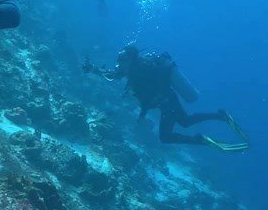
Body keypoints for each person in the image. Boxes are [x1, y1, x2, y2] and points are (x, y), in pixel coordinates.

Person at [83, 43, 248, 151]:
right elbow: (113, 75)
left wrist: (142, 114)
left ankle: (201, 140)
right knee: (185, 121)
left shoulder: (140, 72)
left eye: (122, 59)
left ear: (131, 59)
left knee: (166, 137)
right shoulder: (132, 69)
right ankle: (220, 116)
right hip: (168, 100)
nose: (119, 63)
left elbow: (147, 97)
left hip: (167, 103)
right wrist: (93, 69)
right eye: (118, 59)